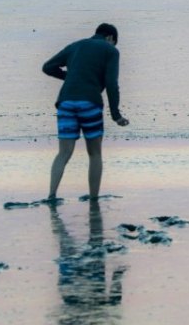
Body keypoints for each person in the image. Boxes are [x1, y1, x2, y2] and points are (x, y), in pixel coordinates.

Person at [42, 23, 129, 201]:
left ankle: (51, 195)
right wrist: (116, 115)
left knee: (64, 152)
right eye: (114, 42)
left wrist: (73, 76)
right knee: (95, 153)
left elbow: (47, 67)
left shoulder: (75, 46)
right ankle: (93, 198)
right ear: (111, 38)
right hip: (90, 102)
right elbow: (112, 84)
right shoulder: (110, 51)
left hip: (66, 102)